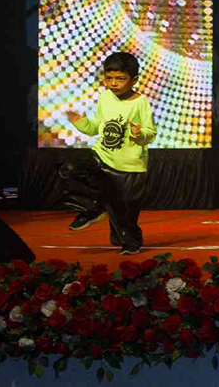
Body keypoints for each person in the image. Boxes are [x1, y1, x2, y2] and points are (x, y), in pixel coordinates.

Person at [62, 51, 155, 255]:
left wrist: (139, 134)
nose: (113, 83)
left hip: (129, 166)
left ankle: (130, 241)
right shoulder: (105, 97)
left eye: (120, 79)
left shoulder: (140, 102)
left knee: (124, 214)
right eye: (109, 77)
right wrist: (80, 122)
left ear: (134, 80)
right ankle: (93, 209)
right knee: (71, 168)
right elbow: (96, 127)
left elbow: (150, 133)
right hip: (102, 155)